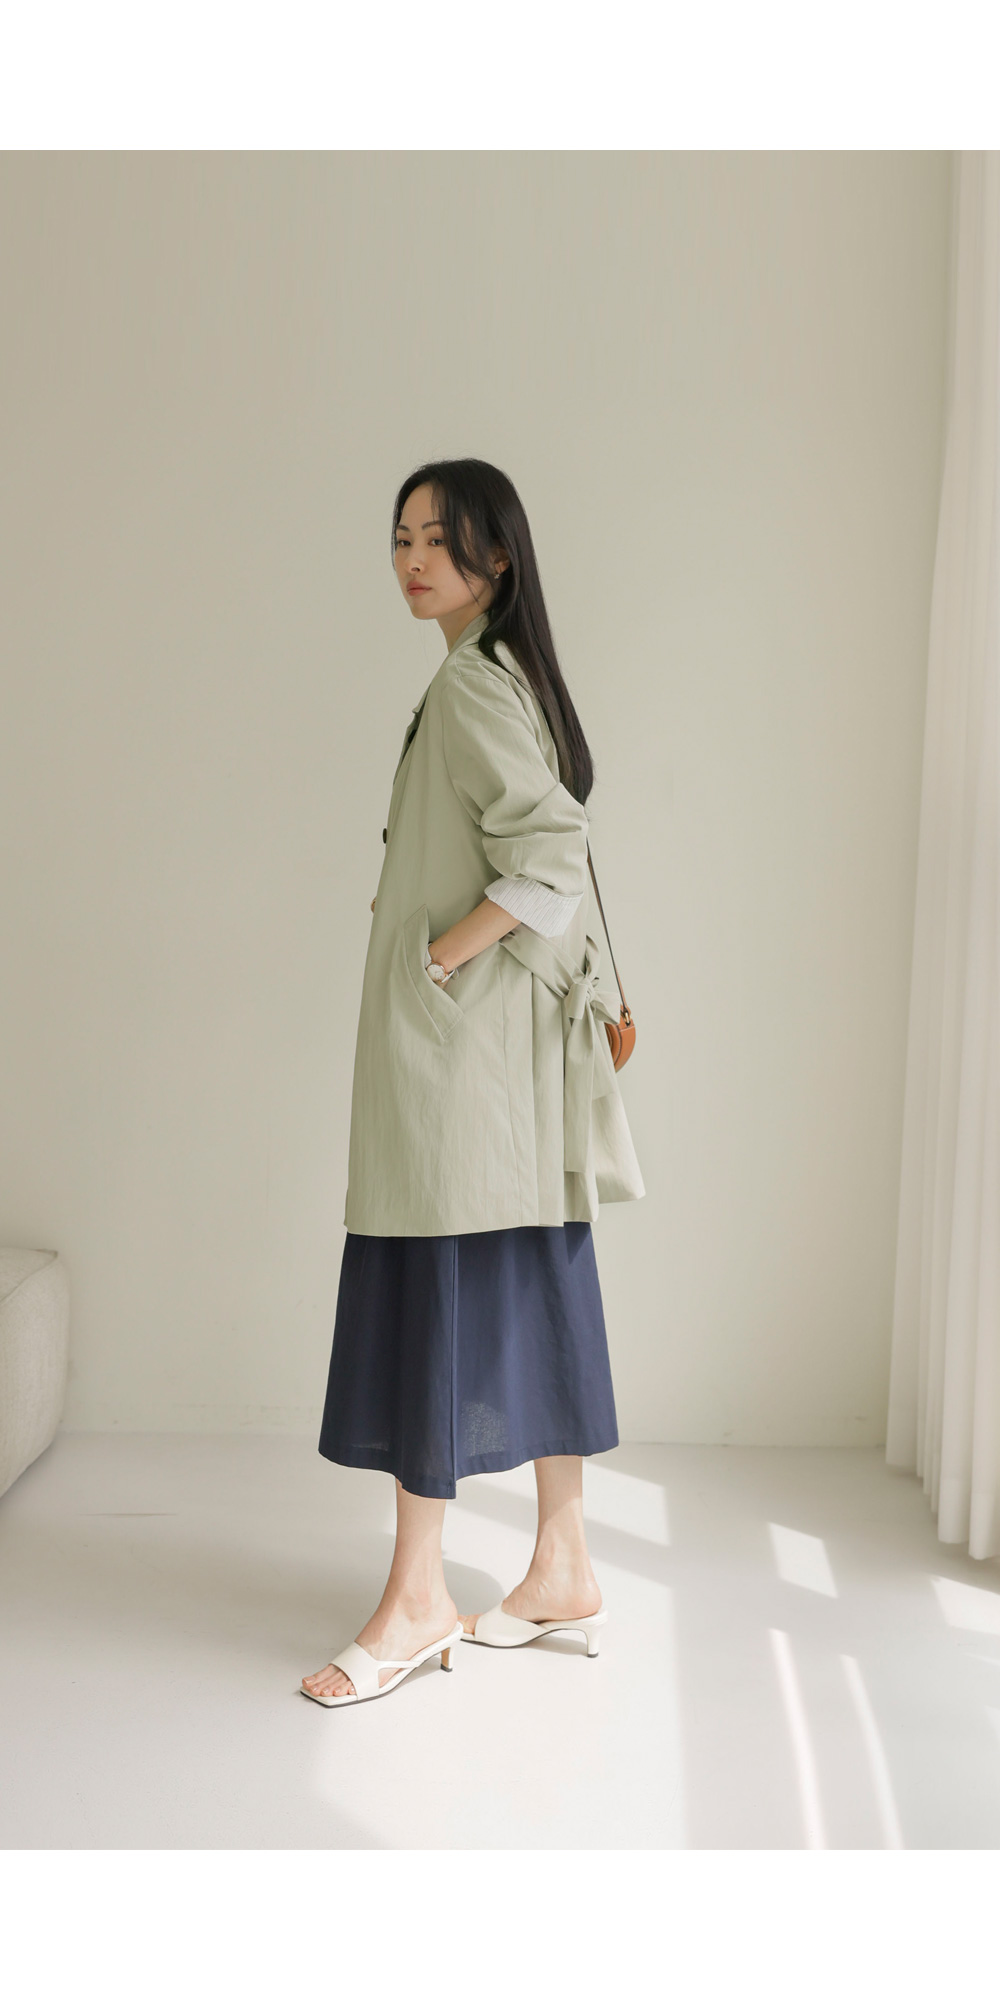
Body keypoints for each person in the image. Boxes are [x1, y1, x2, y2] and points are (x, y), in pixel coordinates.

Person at [301, 457, 645, 1707]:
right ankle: (561, 1564)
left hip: (465, 1054)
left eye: (438, 539)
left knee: (431, 1289)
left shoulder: (467, 686)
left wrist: (441, 951)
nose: (412, 559)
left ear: (495, 558)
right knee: (535, 1273)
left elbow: (551, 845)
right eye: (400, 536)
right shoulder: (500, 674)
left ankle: (415, 1600)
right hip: (511, 1058)